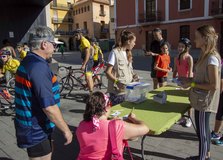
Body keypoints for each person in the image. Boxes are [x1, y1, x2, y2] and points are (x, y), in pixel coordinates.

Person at [14, 26, 73, 160]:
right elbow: (49, 107)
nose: (55, 49)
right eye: (53, 45)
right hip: (36, 129)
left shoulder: (29, 61)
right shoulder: (38, 67)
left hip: (32, 125)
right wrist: (66, 130)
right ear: (44, 44)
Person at [182, 25, 221, 160]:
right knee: (203, 131)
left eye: (197, 37)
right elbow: (203, 77)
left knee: (202, 133)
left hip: (204, 102)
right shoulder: (205, 55)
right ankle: (205, 155)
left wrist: (192, 83)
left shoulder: (211, 58)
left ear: (205, 39)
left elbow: (214, 85)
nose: (194, 40)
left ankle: (202, 158)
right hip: (200, 99)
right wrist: (190, 79)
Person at [76, 91, 149, 160]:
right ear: (106, 108)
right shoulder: (116, 126)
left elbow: (98, 134)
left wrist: (111, 122)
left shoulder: (82, 125)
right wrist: (133, 118)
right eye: (110, 105)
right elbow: (145, 128)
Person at [105, 30, 136, 105]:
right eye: (133, 42)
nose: (134, 44)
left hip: (128, 91)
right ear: (128, 41)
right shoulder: (114, 52)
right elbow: (107, 72)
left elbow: (128, 71)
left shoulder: (128, 53)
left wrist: (134, 76)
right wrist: (117, 82)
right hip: (117, 93)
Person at [173, 38, 194, 128]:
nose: (180, 48)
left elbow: (190, 71)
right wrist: (174, 78)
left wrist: (188, 84)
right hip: (180, 80)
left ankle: (189, 118)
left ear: (187, 48)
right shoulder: (176, 57)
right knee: (180, 100)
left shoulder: (189, 57)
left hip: (188, 81)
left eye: (182, 46)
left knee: (189, 101)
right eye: (179, 46)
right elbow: (175, 69)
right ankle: (182, 117)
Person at [75, 30, 94, 94]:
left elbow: (88, 53)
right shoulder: (83, 41)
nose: (75, 37)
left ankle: (91, 94)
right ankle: (91, 91)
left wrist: (84, 64)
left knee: (88, 78)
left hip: (88, 61)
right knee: (87, 77)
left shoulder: (84, 41)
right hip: (88, 61)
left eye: (76, 35)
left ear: (80, 34)